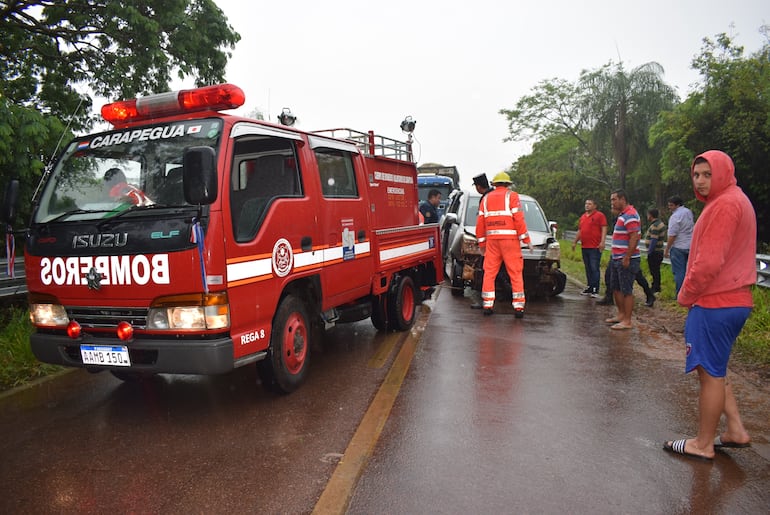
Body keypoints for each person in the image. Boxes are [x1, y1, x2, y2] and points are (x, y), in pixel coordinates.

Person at [663, 150, 756, 461]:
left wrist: (685, 295)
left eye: (707, 174)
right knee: (716, 368)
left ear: (723, 173)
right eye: (696, 175)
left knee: (709, 374)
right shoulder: (734, 199)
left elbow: (708, 263)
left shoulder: (725, 205)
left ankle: (702, 444)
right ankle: (736, 430)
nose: (701, 181)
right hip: (733, 300)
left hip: (716, 302)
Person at [476, 172, 532, 318]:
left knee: (489, 273)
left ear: (494, 184)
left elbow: (480, 223)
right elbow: (519, 219)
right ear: (508, 184)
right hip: (510, 241)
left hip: (492, 241)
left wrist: (482, 244)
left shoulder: (486, 199)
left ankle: (487, 305)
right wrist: (526, 240)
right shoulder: (512, 196)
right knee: (515, 272)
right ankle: (518, 306)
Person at [605, 189, 641, 330]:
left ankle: (627, 320)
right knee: (616, 287)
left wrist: (627, 257)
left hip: (626, 259)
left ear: (622, 199)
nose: (612, 203)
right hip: (616, 257)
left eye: (614, 199)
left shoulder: (631, 215)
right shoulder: (623, 214)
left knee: (626, 290)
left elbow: (634, 237)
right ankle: (621, 315)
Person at [572, 198, 608, 297]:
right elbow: (580, 230)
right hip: (585, 246)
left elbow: (604, 227)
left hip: (595, 246)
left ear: (595, 206)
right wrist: (575, 241)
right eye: (586, 203)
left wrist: (602, 242)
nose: (587, 205)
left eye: (589, 204)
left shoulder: (599, 216)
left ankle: (595, 288)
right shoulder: (583, 217)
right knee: (588, 267)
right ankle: (590, 286)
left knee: (594, 267)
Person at [664, 195, 693, 296]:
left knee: (679, 272)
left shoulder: (675, 216)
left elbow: (672, 234)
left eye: (671, 205)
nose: (670, 207)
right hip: (689, 245)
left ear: (677, 205)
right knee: (688, 271)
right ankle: (689, 292)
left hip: (678, 246)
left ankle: (680, 294)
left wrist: (667, 249)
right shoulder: (688, 212)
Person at [644, 208, 666, 293]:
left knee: (654, 270)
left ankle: (655, 287)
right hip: (658, 251)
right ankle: (656, 286)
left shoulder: (655, 226)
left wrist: (650, 252)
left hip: (655, 251)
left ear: (650, 215)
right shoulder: (659, 223)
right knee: (656, 270)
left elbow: (653, 240)